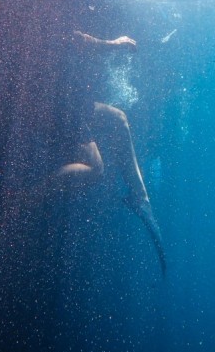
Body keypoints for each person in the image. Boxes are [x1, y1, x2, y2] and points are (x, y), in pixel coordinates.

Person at [53, 30, 166, 275]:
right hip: (54, 103)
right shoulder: (52, 14)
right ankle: (26, 199)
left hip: (69, 100)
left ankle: (140, 197)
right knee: (96, 170)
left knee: (119, 119)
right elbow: (74, 39)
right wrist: (115, 44)